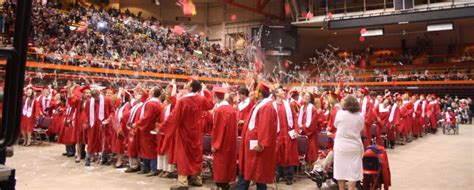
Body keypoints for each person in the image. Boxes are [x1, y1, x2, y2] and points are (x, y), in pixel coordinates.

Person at [159, 80, 214, 188]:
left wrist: (163, 127)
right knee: (195, 155)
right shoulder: (200, 98)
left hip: (184, 132)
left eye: (189, 84)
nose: (187, 84)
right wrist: (206, 91)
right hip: (196, 132)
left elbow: (174, 117)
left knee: (183, 157)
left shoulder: (183, 101)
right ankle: (197, 179)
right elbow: (210, 105)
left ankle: (183, 183)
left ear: (191, 87)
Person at [237, 82, 278, 190]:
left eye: (257, 91)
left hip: (257, 145)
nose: (255, 94)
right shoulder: (261, 104)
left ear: (260, 93)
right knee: (255, 174)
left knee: (254, 172)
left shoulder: (267, 106)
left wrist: (261, 143)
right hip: (252, 143)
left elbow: (265, 126)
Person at [333, 95, 364, 190]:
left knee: (340, 171)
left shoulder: (340, 114)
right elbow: (361, 128)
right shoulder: (360, 115)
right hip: (354, 146)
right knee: (353, 172)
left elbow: (335, 125)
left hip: (341, 146)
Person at [211, 86, 238, 190]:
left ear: (216, 96)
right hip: (230, 142)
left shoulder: (219, 110)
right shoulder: (232, 109)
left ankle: (220, 187)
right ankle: (226, 185)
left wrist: (215, 144)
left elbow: (218, 129)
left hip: (222, 143)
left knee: (221, 165)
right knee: (228, 164)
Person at [134, 87, 163, 176]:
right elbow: (146, 96)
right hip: (146, 129)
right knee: (145, 148)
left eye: (151, 89)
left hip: (148, 129)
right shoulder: (152, 101)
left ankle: (153, 169)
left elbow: (147, 118)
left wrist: (137, 124)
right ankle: (146, 167)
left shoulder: (152, 104)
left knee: (150, 149)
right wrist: (142, 89)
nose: (149, 90)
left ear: (153, 92)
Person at [274, 86, 299, 185]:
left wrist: (296, 130)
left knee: (289, 155)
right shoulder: (272, 106)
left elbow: (295, 118)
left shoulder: (288, 105)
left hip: (288, 134)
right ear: (276, 94)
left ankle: (289, 176)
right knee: (278, 155)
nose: (283, 92)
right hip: (278, 134)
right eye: (280, 91)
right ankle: (279, 173)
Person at [84, 89, 114, 166]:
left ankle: (104, 158)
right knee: (91, 141)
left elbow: (112, 111)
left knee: (104, 141)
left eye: (97, 97)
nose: (96, 99)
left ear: (99, 94)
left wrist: (109, 119)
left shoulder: (106, 100)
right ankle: (88, 157)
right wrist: (86, 122)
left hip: (104, 125)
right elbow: (86, 113)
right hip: (93, 125)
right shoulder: (89, 101)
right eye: (94, 98)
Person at [298, 92, 320, 165]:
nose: (305, 97)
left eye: (307, 96)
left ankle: (311, 167)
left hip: (311, 134)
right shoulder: (302, 107)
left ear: (310, 99)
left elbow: (313, 123)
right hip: (303, 131)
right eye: (305, 96)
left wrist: (303, 127)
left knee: (311, 151)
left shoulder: (312, 109)